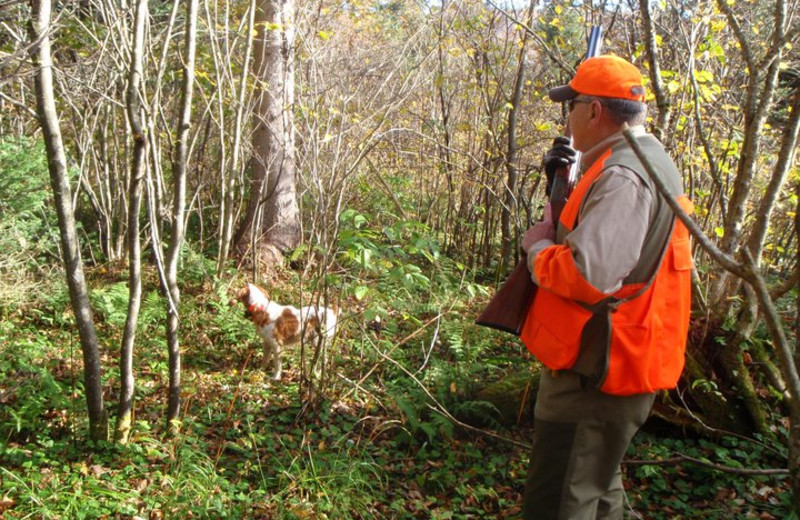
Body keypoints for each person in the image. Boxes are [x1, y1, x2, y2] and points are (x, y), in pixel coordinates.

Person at [518, 55, 694, 519]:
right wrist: (562, 186)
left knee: (561, 502)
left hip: (594, 375)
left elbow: (588, 274)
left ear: (594, 112)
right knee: (597, 493)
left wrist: (537, 250)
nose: (567, 115)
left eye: (571, 105)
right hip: (614, 366)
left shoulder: (623, 177)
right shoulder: (639, 161)